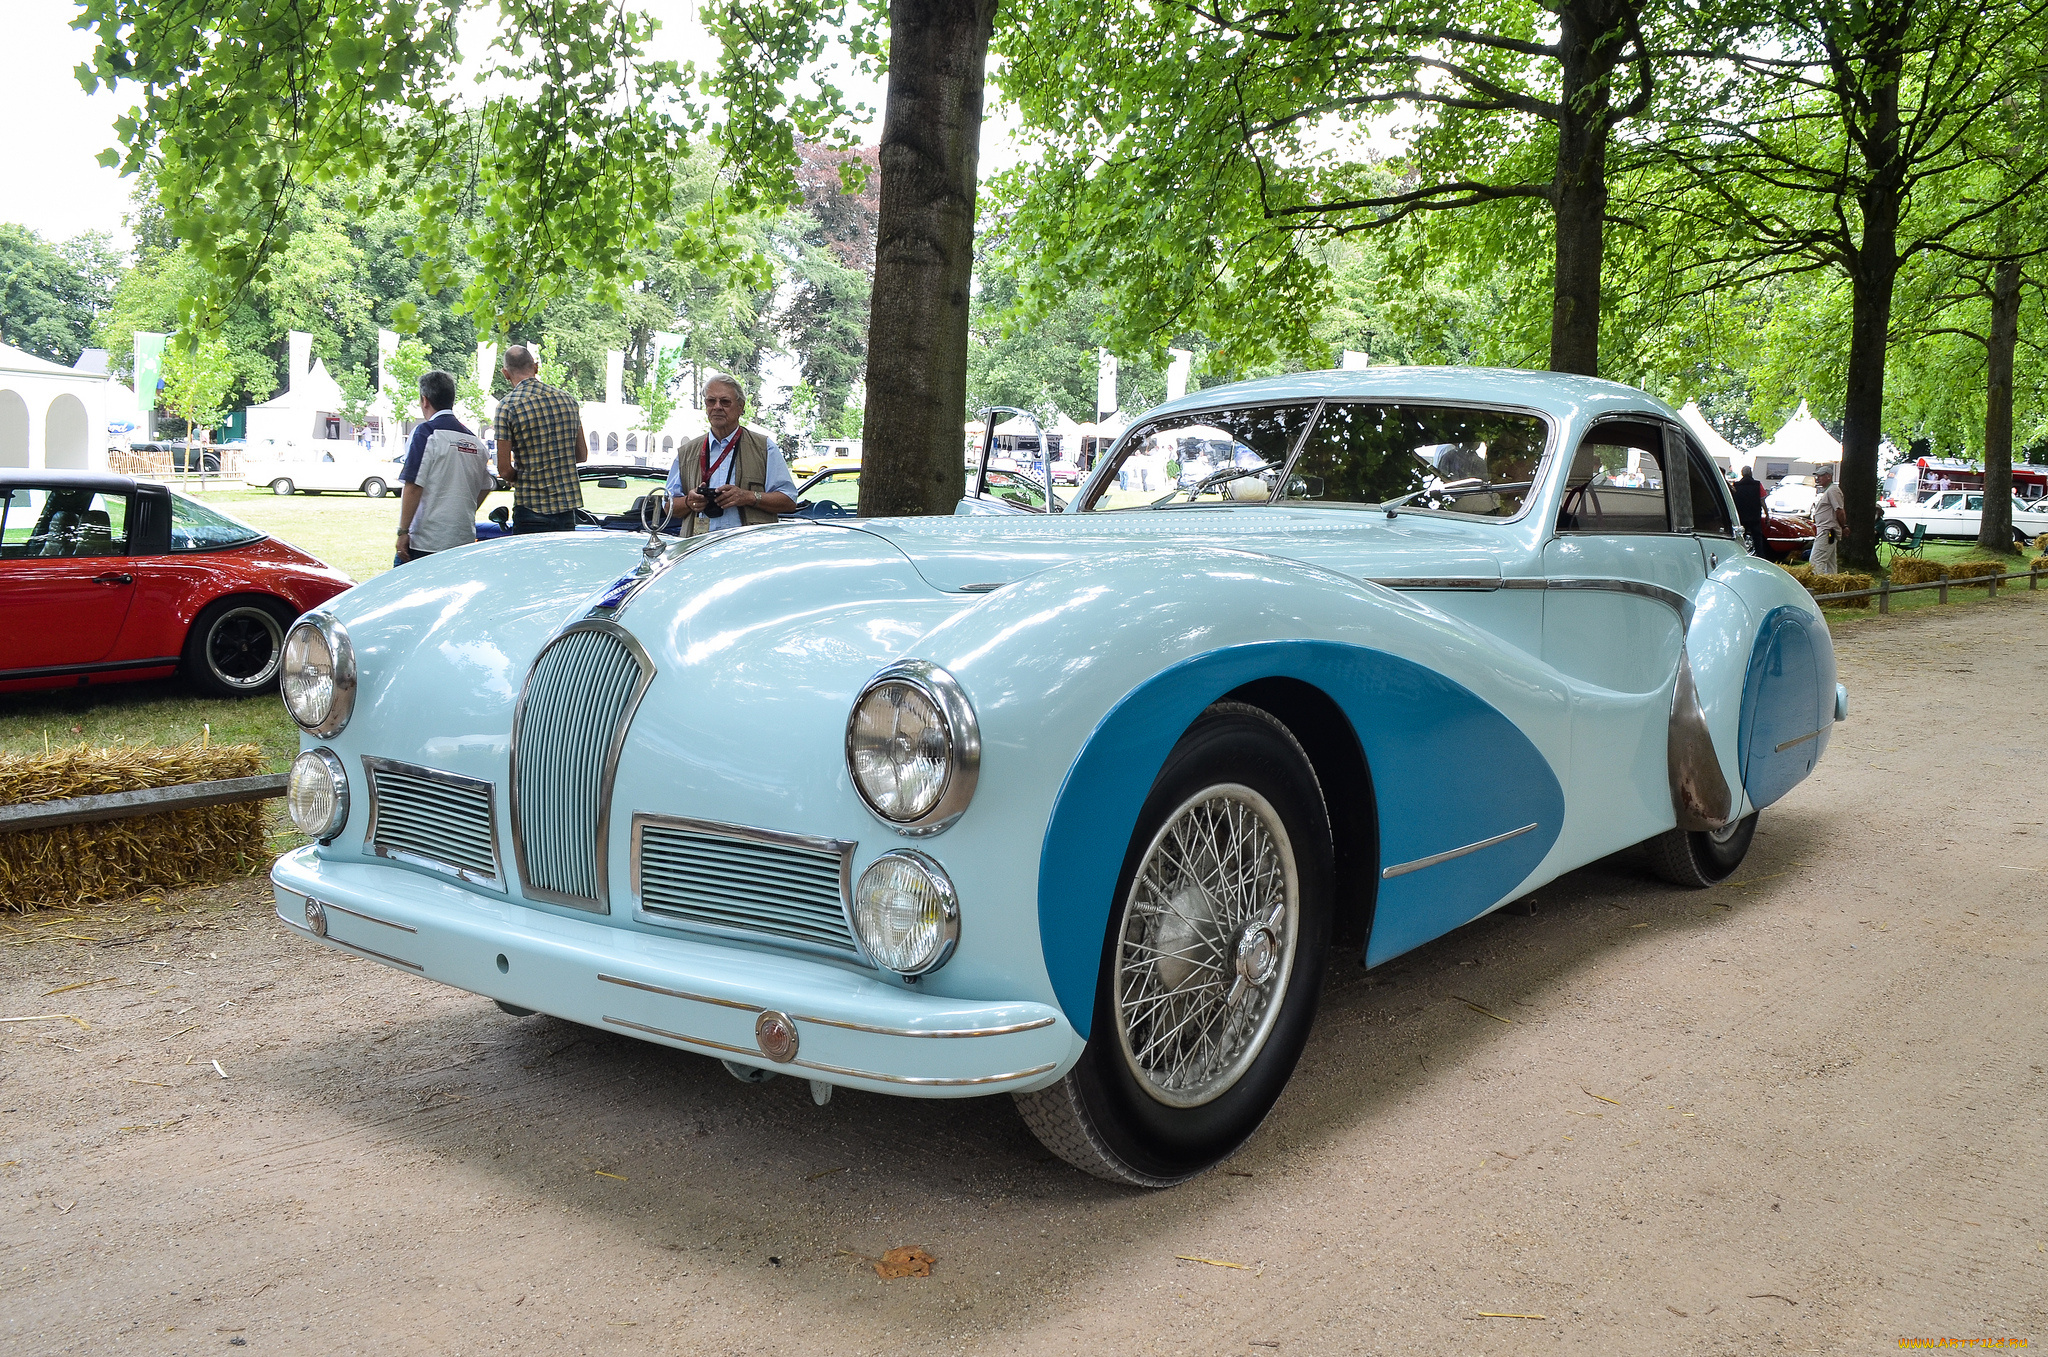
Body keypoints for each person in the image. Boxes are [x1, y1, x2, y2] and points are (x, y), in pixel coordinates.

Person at [665, 376, 797, 535]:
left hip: (747, 549)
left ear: (741, 407)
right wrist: (689, 501)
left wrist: (748, 497)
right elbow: (668, 507)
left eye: (725, 402)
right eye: (711, 401)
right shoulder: (686, 453)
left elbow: (788, 501)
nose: (717, 407)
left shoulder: (764, 448)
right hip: (699, 549)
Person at [395, 369, 494, 563]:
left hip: (425, 542)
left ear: (425, 400)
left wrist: (403, 531)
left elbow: (414, 485)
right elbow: (486, 486)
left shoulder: (426, 433)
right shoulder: (475, 441)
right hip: (461, 537)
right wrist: (461, 509)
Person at [493, 344, 587, 533]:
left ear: (505, 373)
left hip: (530, 510)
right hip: (566, 510)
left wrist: (520, 476)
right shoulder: (568, 400)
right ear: (535, 367)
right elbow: (581, 454)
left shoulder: (507, 407)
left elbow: (504, 470)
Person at [1809, 466, 1846, 573]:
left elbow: (1839, 510)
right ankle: (1831, 584)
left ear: (1828, 476)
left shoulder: (1833, 490)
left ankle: (1818, 585)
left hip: (1828, 531)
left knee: (1816, 559)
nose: (1818, 478)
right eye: (1817, 476)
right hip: (1828, 530)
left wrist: (1844, 526)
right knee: (1830, 562)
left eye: (1820, 476)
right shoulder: (1829, 490)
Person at [1731, 466, 1768, 558]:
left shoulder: (1736, 485)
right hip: (1754, 515)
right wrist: (1767, 514)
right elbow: (1762, 501)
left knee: (1740, 537)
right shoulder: (1758, 484)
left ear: (1742, 474)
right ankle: (1760, 556)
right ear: (1751, 473)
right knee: (1757, 538)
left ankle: (1741, 554)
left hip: (1741, 516)